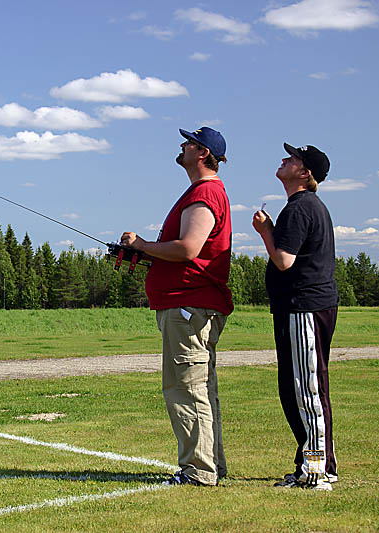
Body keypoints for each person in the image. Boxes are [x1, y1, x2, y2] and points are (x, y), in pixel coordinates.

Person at [121, 126, 233, 486]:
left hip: (189, 307)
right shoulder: (202, 192)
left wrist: (142, 245)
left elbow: (188, 248)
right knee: (198, 387)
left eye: (189, 142)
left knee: (187, 388)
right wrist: (145, 254)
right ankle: (210, 465)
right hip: (190, 306)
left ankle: (198, 471)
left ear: (202, 153)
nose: (182, 146)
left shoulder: (205, 193)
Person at [252, 142, 338, 491]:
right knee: (299, 387)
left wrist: (266, 232)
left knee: (306, 390)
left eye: (293, 158)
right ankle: (318, 463)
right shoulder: (304, 206)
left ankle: (315, 470)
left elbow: (284, 260)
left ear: (304, 172)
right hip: (303, 307)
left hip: (304, 307)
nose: (284, 159)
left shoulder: (301, 207)